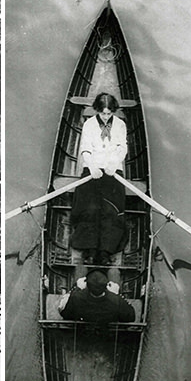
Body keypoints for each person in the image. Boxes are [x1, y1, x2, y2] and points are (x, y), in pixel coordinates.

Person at [71, 92, 127, 270]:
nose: (106, 117)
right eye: (103, 113)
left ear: (113, 112)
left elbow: (122, 148)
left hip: (113, 170)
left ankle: (106, 251)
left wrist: (114, 164)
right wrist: (92, 167)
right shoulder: (89, 124)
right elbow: (85, 149)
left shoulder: (120, 125)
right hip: (92, 170)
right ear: (97, 111)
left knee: (111, 209)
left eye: (109, 114)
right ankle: (89, 249)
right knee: (90, 207)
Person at [59, 269, 135, 325]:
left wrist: (77, 289)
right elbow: (131, 317)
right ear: (106, 286)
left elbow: (66, 315)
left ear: (87, 286)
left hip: (83, 333)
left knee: (81, 268)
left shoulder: (76, 297)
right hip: (107, 335)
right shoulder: (116, 301)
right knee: (114, 271)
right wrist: (115, 294)